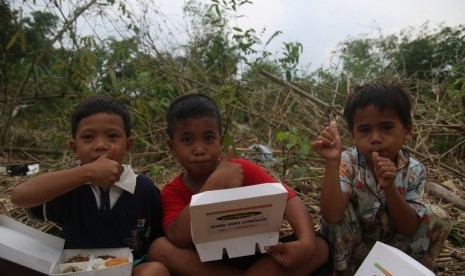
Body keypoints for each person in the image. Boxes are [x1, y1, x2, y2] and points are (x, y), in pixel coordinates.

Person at [149, 93, 329, 275]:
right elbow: (177, 237)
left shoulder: (240, 169)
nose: (200, 149)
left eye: (209, 138)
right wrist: (212, 186)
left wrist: (306, 244)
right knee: (159, 248)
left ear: (220, 141)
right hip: (210, 265)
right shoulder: (173, 191)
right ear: (171, 146)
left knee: (320, 246)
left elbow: (288, 198)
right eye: (187, 140)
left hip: (257, 256)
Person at [11, 96, 169, 276]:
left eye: (112, 136)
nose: (100, 145)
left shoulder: (144, 189)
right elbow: (18, 197)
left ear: (128, 145)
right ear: (74, 147)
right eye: (88, 137)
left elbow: (158, 237)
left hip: (128, 268)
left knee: (154, 271)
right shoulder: (66, 186)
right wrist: (88, 173)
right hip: (75, 269)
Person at [312, 84, 451, 275]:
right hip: (355, 250)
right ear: (353, 135)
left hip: (396, 249)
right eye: (364, 130)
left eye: (386, 127)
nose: (376, 138)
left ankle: (414, 270)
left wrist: (389, 187)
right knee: (344, 211)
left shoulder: (414, 170)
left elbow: (409, 228)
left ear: (407, 131)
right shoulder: (347, 162)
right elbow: (332, 217)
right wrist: (331, 162)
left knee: (438, 217)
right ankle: (343, 272)